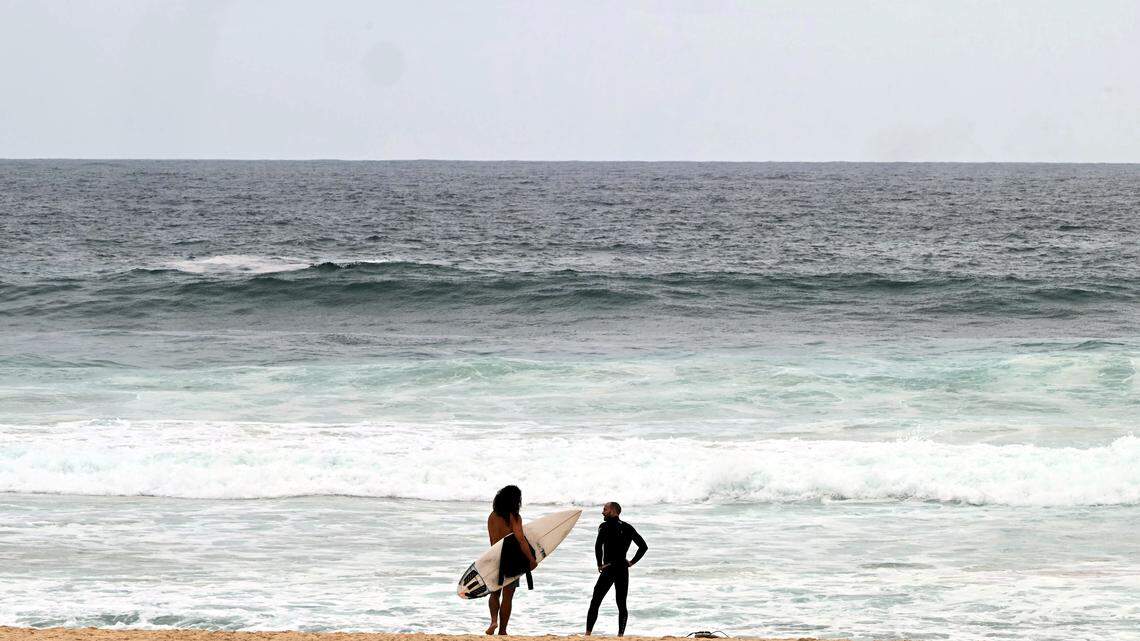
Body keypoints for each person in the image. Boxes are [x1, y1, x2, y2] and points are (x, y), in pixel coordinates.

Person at [585, 501, 648, 637]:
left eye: (605, 509)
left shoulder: (603, 526)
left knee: (596, 601)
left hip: (609, 569)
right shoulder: (628, 528)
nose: (602, 512)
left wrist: (599, 564)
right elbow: (643, 547)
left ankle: (588, 634)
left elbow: (598, 547)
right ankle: (620, 636)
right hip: (622, 569)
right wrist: (631, 562)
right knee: (621, 603)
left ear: (613, 511)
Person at [486, 485, 537, 635]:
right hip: (511, 560)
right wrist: (531, 560)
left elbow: (491, 540)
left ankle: (493, 621)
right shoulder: (514, 517)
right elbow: (521, 540)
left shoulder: (492, 516)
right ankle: (502, 630)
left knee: (494, 593)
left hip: (494, 556)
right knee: (508, 596)